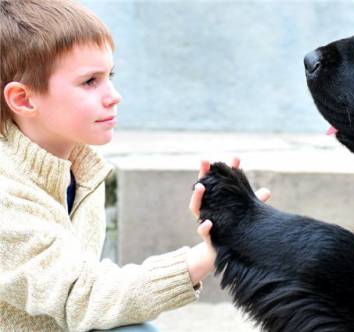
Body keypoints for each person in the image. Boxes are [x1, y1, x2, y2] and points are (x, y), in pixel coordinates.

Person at [0, 1, 270, 331]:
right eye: (90, 82)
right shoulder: (7, 195)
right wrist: (213, 250)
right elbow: (84, 297)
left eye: (109, 76)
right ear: (24, 99)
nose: (114, 95)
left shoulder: (80, 166)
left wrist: (219, 220)